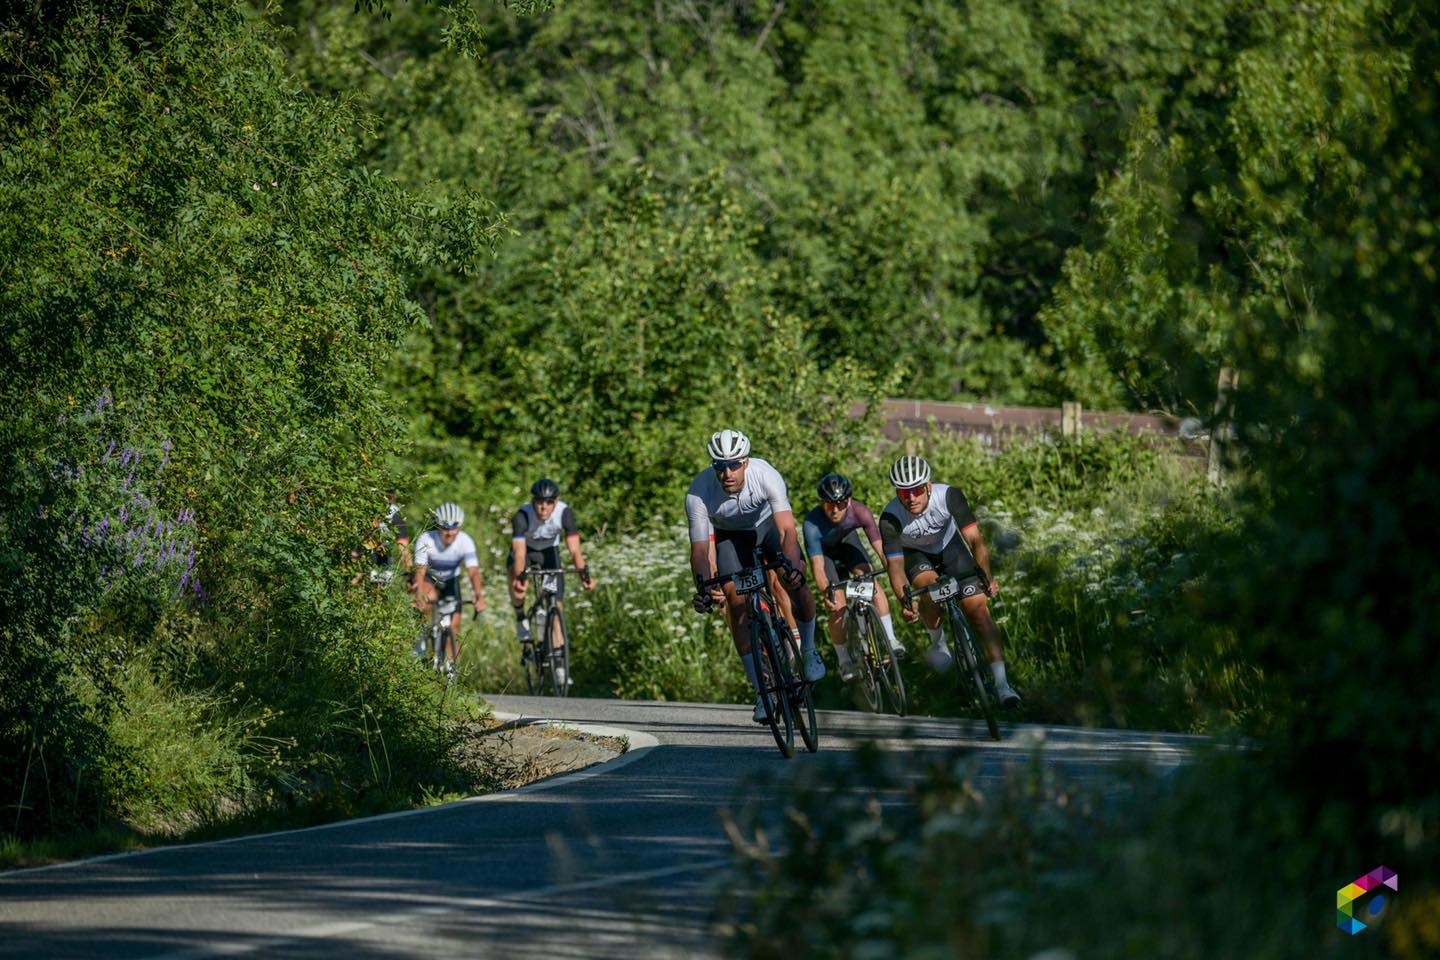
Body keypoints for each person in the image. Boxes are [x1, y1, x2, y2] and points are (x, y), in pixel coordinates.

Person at [687, 429, 825, 723]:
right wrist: (702, 586)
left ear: (746, 462)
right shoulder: (699, 491)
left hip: (768, 528)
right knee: (737, 603)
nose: (727, 472)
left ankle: (810, 649)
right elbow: (699, 550)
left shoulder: (766, 474)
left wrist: (790, 565)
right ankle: (761, 691)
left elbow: (787, 529)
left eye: (734, 464)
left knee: (795, 579)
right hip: (732, 539)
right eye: (719, 466)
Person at [879, 454, 1021, 707]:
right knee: (928, 586)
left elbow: (975, 540)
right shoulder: (890, 517)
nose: (911, 498)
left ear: (928, 486)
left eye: (917, 490)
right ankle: (939, 643)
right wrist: (904, 599)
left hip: (950, 548)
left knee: (978, 612)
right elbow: (896, 565)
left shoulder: (949, 495)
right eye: (903, 493)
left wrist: (986, 577)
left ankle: (1003, 686)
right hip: (916, 555)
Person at [803, 472, 905, 682]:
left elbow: (881, 550)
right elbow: (818, 567)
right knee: (837, 605)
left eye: (840, 504)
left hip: (850, 545)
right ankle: (845, 661)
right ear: (822, 503)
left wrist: (892, 569)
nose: (835, 509)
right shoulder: (811, 524)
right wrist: (827, 593)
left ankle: (891, 639)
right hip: (827, 555)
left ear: (849, 500)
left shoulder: (860, 512)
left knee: (872, 583)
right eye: (829, 504)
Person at [509, 478, 595, 688]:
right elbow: (519, 552)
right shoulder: (522, 515)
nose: (543, 507)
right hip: (526, 553)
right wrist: (520, 577)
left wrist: (584, 574)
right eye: (539, 501)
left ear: (556, 502)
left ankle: (559, 666)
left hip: (549, 553)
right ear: (533, 501)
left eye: (549, 502)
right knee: (518, 587)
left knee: (556, 606)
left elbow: (575, 549)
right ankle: (521, 616)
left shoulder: (564, 512)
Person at [412, 502, 487, 681]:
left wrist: (479, 595)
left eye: (454, 529)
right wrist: (419, 595)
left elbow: (473, 571)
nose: (449, 533)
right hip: (431, 580)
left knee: (454, 625)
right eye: (445, 528)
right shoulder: (426, 539)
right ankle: (420, 642)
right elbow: (420, 570)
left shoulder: (465, 541)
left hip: (451, 582)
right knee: (427, 600)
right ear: (438, 526)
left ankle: (450, 668)